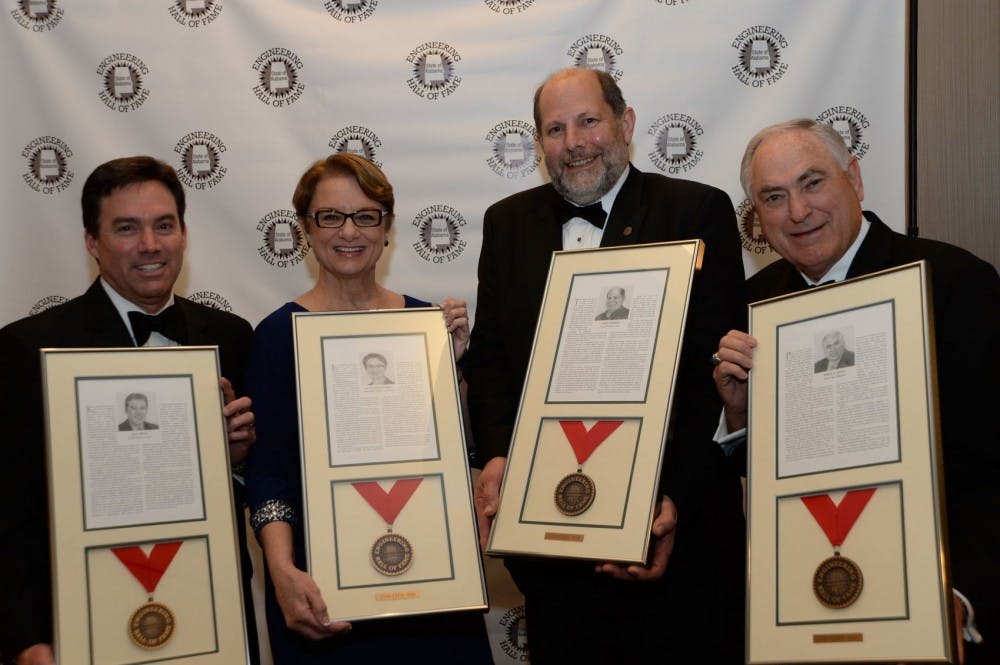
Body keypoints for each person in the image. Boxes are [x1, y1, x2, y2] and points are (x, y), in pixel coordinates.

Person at [463, 67, 747, 663]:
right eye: (556, 129)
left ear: (626, 123)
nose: (573, 142)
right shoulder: (507, 224)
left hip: (674, 543)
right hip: (554, 556)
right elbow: (491, 362)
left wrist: (672, 500)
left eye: (589, 121)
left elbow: (714, 381)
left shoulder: (695, 210)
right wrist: (493, 455)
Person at [712, 118, 999, 664]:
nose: (798, 212)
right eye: (774, 196)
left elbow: (989, 464)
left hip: (933, 607)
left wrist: (960, 592)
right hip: (795, 611)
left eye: (813, 183)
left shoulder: (954, 282)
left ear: (856, 180)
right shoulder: (749, 311)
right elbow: (753, 482)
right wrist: (737, 413)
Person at [0, 156, 260, 665]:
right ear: (92, 242)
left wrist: (237, 459)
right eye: (127, 228)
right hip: (82, 619)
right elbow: (10, 512)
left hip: (211, 610)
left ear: (184, 233)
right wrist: (27, 638)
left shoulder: (231, 337)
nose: (150, 245)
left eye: (164, 225)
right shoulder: (29, 349)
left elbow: (255, 484)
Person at [244, 153, 492, 663]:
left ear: (388, 227)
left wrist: (457, 371)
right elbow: (268, 475)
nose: (348, 231)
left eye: (365, 216)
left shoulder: (428, 325)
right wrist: (282, 572)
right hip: (326, 590)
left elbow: (460, 452)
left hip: (432, 581)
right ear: (305, 229)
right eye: (330, 216)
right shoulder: (275, 335)